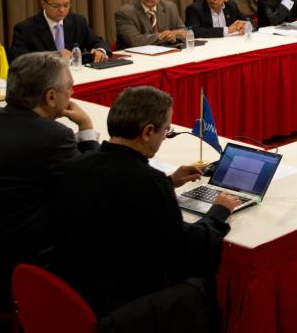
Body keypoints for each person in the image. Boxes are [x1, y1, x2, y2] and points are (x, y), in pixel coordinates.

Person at [51, 86, 240, 326]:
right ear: (148, 131)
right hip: (118, 306)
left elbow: (116, 192)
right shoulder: (148, 181)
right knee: (200, 285)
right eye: (167, 130)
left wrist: (170, 181)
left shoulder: (78, 163)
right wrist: (219, 211)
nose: (164, 136)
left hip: (72, 287)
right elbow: (185, 247)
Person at [0, 52, 99, 315]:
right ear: (50, 97)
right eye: (69, 87)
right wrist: (86, 126)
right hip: (17, 269)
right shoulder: (52, 136)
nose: (72, 92)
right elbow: (94, 183)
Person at [9, 0, 110, 63]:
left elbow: (98, 42)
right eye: (56, 6)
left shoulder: (78, 21)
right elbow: (18, 60)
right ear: (44, 4)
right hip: (45, 79)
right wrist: (56, 55)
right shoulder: (26, 28)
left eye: (66, 5)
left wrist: (100, 51)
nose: (62, 10)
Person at [114, 0, 186, 49]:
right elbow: (135, 41)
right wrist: (163, 36)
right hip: (136, 57)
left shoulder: (170, 7)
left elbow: (184, 32)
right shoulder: (125, 12)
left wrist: (174, 35)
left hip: (165, 54)